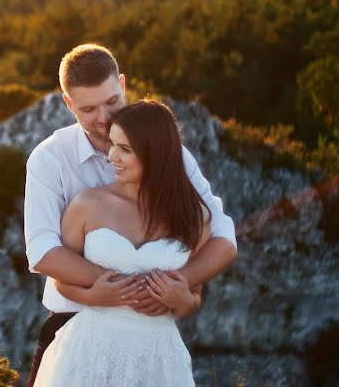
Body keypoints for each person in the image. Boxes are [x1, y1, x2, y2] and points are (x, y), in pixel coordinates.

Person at [24, 44, 237, 387]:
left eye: (111, 102)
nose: (104, 117)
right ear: (68, 105)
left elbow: (223, 237)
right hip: (73, 326)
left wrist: (180, 289)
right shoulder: (49, 159)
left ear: (122, 85)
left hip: (152, 347)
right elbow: (44, 251)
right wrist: (109, 291)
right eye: (88, 109)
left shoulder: (170, 155)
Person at [32, 99, 209, 386]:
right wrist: (93, 297)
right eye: (112, 144)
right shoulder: (88, 204)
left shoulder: (195, 216)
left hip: (157, 359)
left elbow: (195, 295)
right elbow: (60, 280)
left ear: (156, 153)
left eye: (124, 149)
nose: (112, 156)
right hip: (88, 351)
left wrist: (183, 301)